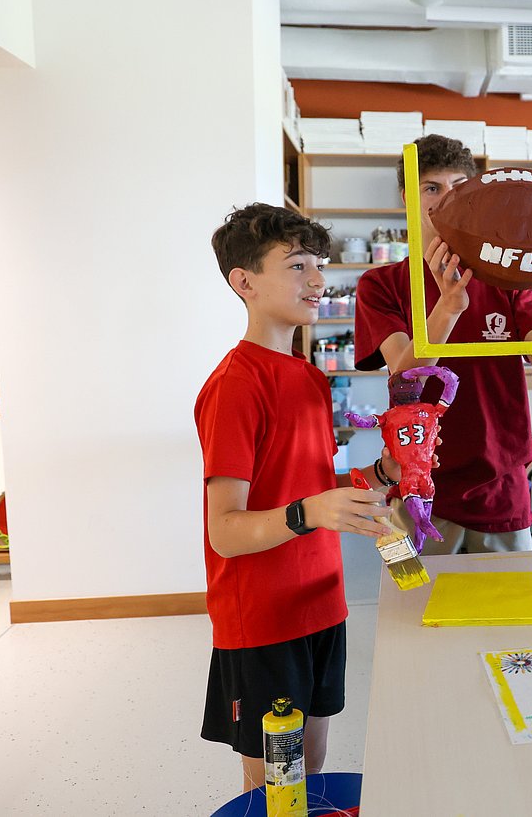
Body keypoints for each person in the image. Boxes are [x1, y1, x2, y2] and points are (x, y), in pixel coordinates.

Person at [196, 202, 399, 792]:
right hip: (262, 619)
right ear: (245, 283)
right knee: (273, 786)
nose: (318, 281)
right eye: (298, 266)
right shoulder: (236, 384)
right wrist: (311, 511)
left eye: (320, 265)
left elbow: (312, 491)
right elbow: (226, 531)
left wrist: (380, 475)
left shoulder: (309, 377)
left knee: (309, 770)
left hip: (323, 601)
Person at [355, 134, 532, 554]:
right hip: (414, 485)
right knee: (410, 607)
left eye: (458, 187)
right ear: (408, 198)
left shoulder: (506, 278)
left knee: (509, 612)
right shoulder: (380, 284)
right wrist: (448, 308)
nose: (446, 199)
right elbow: (405, 377)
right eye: (432, 188)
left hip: (501, 484)